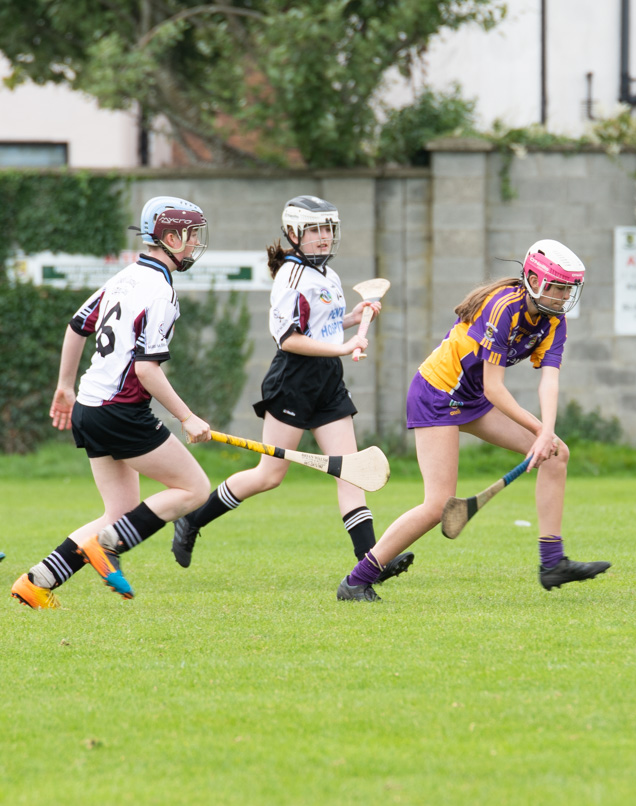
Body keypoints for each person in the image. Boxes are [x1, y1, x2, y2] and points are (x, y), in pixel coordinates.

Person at [335, 239, 610, 601]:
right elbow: (496, 388)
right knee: (438, 505)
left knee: (556, 453)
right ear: (532, 278)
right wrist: (538, 429)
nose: (561, 296)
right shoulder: (503, 308)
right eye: (557, 287)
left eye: (567, 290)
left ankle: (552, 562)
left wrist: (547, 433)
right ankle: (356, 580)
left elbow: (550, 379)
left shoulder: (552, 321)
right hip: (437, 394)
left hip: (472, 398)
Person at [170, 196, 413, 581]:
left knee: (350, 472)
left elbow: (325, 327)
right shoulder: (290, 277)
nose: (323, 237)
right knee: (269, 475)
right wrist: (343, 347)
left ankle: (370, 563)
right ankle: (192, 521)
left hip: (328, 381)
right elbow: (289, 339)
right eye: (315, 230)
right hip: (294, 381)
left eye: (328, 229)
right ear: (294, 233)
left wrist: (356, 316)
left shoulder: (328, 277)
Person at [11, 197, 214, 608]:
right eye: (191, 236)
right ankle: (110, 547)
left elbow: (76, 325)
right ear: (170, 237)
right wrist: (188, 417)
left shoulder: (124, 277)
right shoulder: (161, 292)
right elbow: (146, 371)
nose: (194, 244)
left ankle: (36, 582)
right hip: (119, 412)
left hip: (89, 405)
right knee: (194, 488)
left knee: (120, 511)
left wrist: (65, 386)